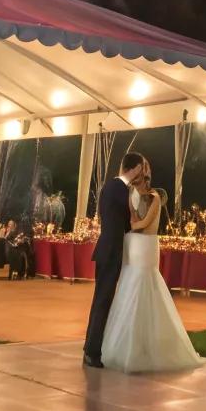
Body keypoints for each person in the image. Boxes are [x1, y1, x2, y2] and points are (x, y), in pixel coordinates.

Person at [101, 169, 202, 373]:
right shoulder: (135, 196)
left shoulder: (155, 198)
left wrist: (130, 225)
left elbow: (145, 223)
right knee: (129, 289)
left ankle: (149, 346)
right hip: (134, 245)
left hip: (145, 246)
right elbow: (134, 217)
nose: (137, 186)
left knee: (146, 286)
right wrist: (130, 208)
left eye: (139, 182)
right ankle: (129, 344)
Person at [83, 151, 146, 367]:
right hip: (111, 251)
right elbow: (131, 221)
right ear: (136, 168)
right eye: (141, 169)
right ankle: (92, 351)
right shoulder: (121, 189)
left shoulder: (110, 186)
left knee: (100, 299)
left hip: (105, 249)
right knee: (103, 301)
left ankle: (90, 347)